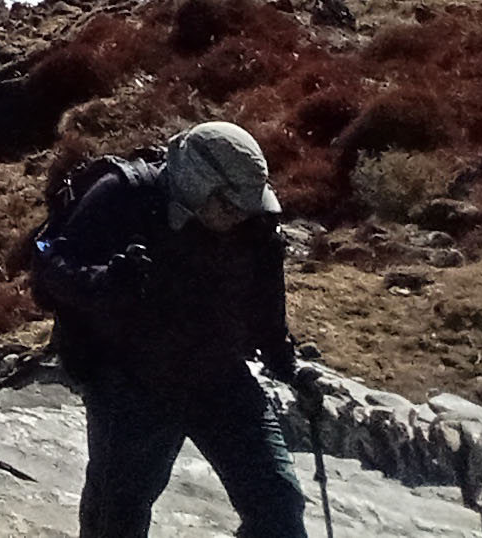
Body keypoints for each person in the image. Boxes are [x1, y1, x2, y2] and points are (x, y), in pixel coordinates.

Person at [37, 121, 310, 538]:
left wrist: (286, 362)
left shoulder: (254, 225)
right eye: (230, 205)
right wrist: (105, 282)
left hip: (219, 377)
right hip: (130, 384)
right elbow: (48, 267)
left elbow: (264, 303)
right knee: (117, 516)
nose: (239, 216)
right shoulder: (122, 196)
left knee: (279, 504)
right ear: (197, 182)